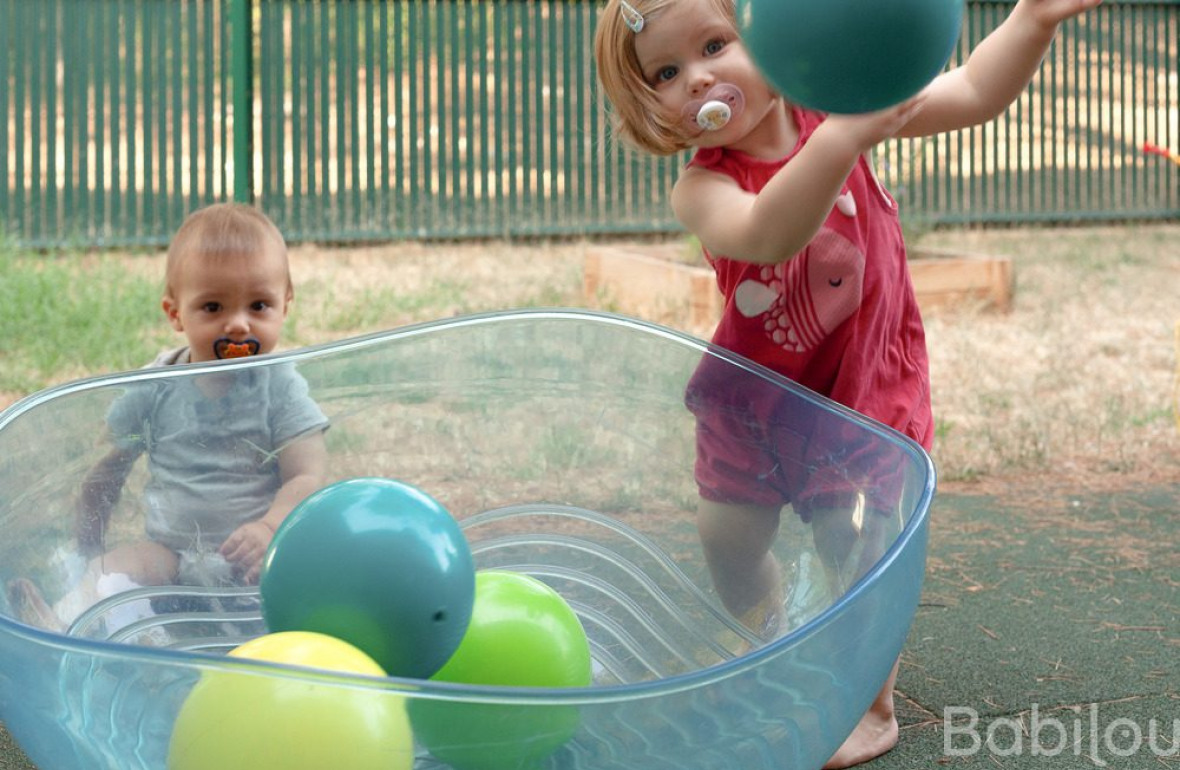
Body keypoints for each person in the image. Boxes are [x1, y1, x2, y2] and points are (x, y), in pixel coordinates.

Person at [594, 0, 1102, 766]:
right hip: (756, 394)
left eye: (714, 44)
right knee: (724, 536)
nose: (699, 75)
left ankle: (869, 700)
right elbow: (768, 230)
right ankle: (775, 633)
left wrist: (1033, 20)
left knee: (855, 542)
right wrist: (844, 135)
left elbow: (970, 95)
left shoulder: (836, 111)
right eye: (667, 72)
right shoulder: (702, 187)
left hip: (860, 380)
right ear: (652, 104)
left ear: (767, 40)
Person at [7, 203, 328, 635]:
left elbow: (307, 474)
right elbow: (108, 464)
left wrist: (271, 527)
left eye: (259, 305)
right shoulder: (155, 386)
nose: (237, 324)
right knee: (114, 569)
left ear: (285, 305)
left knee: (301, 593)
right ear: (175, 313)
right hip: (171, 552)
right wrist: (88, 539)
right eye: (213, 307)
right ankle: (67, 622)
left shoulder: (280, 385)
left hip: (253, 558)